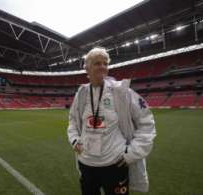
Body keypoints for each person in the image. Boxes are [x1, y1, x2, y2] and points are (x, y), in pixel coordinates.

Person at [67, 47, 156, 195]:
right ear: (87, 68)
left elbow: (146, 123)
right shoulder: (81, 94)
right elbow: (73, 121)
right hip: (86, 163)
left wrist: (132, 153)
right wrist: (75, 140)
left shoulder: (122, 92)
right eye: (97, 63)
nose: (102, 67)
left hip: (114, 164)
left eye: (105, 63)